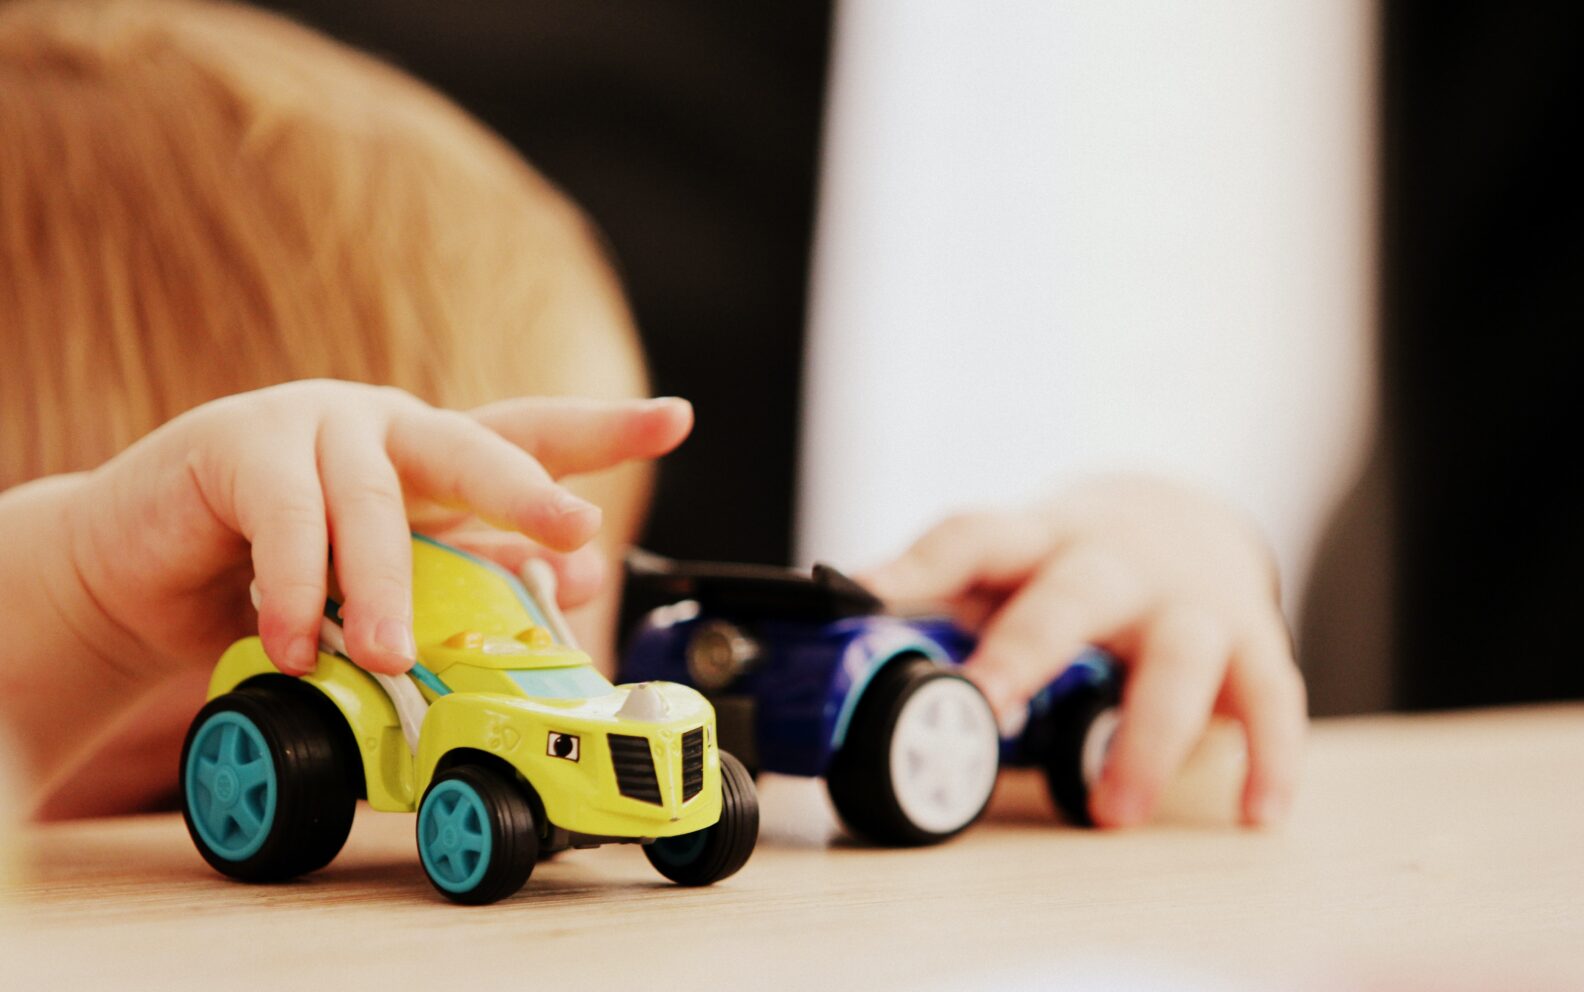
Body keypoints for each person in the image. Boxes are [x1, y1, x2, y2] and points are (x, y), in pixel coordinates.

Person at [0, 0, 1301, 830]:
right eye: (168, 793)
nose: (558, 610)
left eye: (539, 584)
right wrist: (77, 597)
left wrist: (1150, 552)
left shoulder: (568, 658)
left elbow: (915, 739)